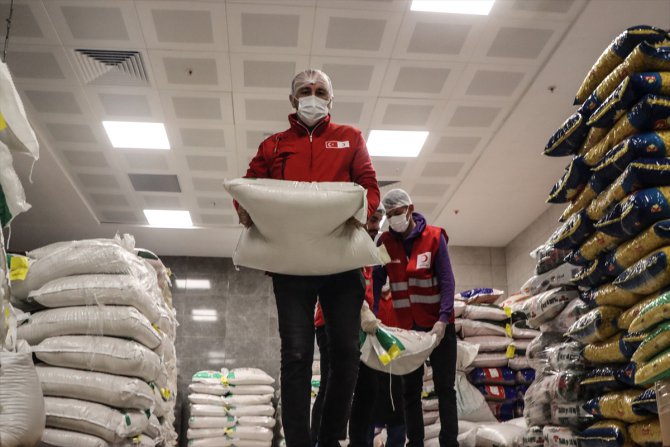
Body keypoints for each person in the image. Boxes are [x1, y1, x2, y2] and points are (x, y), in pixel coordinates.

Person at [236, 69, 380, 447]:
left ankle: (329, 438)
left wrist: (365, 212)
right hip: (292, 265)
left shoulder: (350, 139)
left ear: (330, 100)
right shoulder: (274, 145)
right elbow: (249, 186)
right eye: (304, 91)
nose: (312, 96)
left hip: (341, 262)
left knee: (347, 354)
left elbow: (369, 186)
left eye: (319, 91)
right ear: (292, 99)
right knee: (296, 354)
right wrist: (244, 209)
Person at [373, 189, 458, 447]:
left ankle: (449, 442)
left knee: (445, 388)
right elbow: (377, 282)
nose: (394, 219)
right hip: (407, 330)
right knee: (409, 390)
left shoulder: (434, 238)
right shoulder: (384, 243)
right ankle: (416, 443)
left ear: (410, 209)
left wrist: (443, 319)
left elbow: (447, 280)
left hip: (438, 326)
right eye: (389, 215)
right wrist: (373, 315)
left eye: (397, 213)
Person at [311, 204, 384, 446]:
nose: (376, 227)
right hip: (330, 322)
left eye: (378, 221)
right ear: (360, 220)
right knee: (333, 380)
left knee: (368, 385)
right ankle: (321, 440)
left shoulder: (368, 250)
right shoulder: (344, 242)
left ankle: (358, 442)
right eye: (372, 220)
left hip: (360, 327)